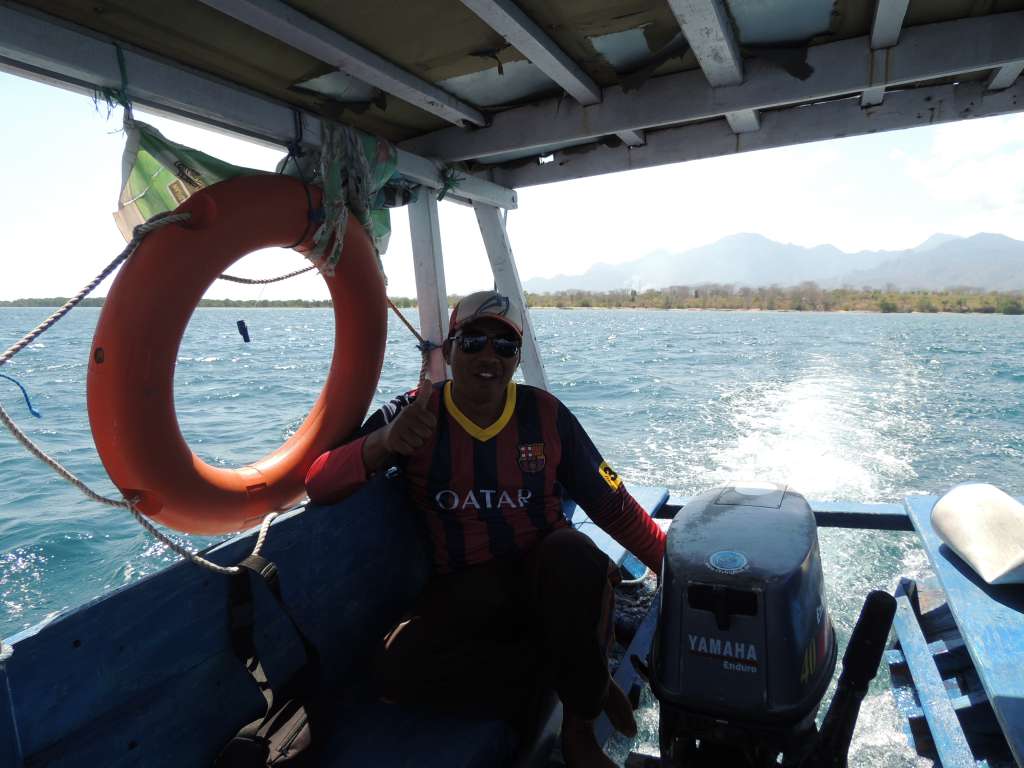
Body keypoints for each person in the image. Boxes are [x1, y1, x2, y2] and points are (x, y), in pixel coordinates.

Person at [305, 290, 666, 767]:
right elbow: (319, 481)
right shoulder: (414, 411)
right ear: (450, 350)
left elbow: (613, 505)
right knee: (395, 675)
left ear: (517, 358)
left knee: (573, 553)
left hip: (548, 575)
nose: (489, 356)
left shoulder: (546, 414)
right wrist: (384, 442)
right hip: (466, 585)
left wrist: (679, 573)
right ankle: (583, 679)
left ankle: (580, 730)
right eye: (473, 342)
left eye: (505, 346)